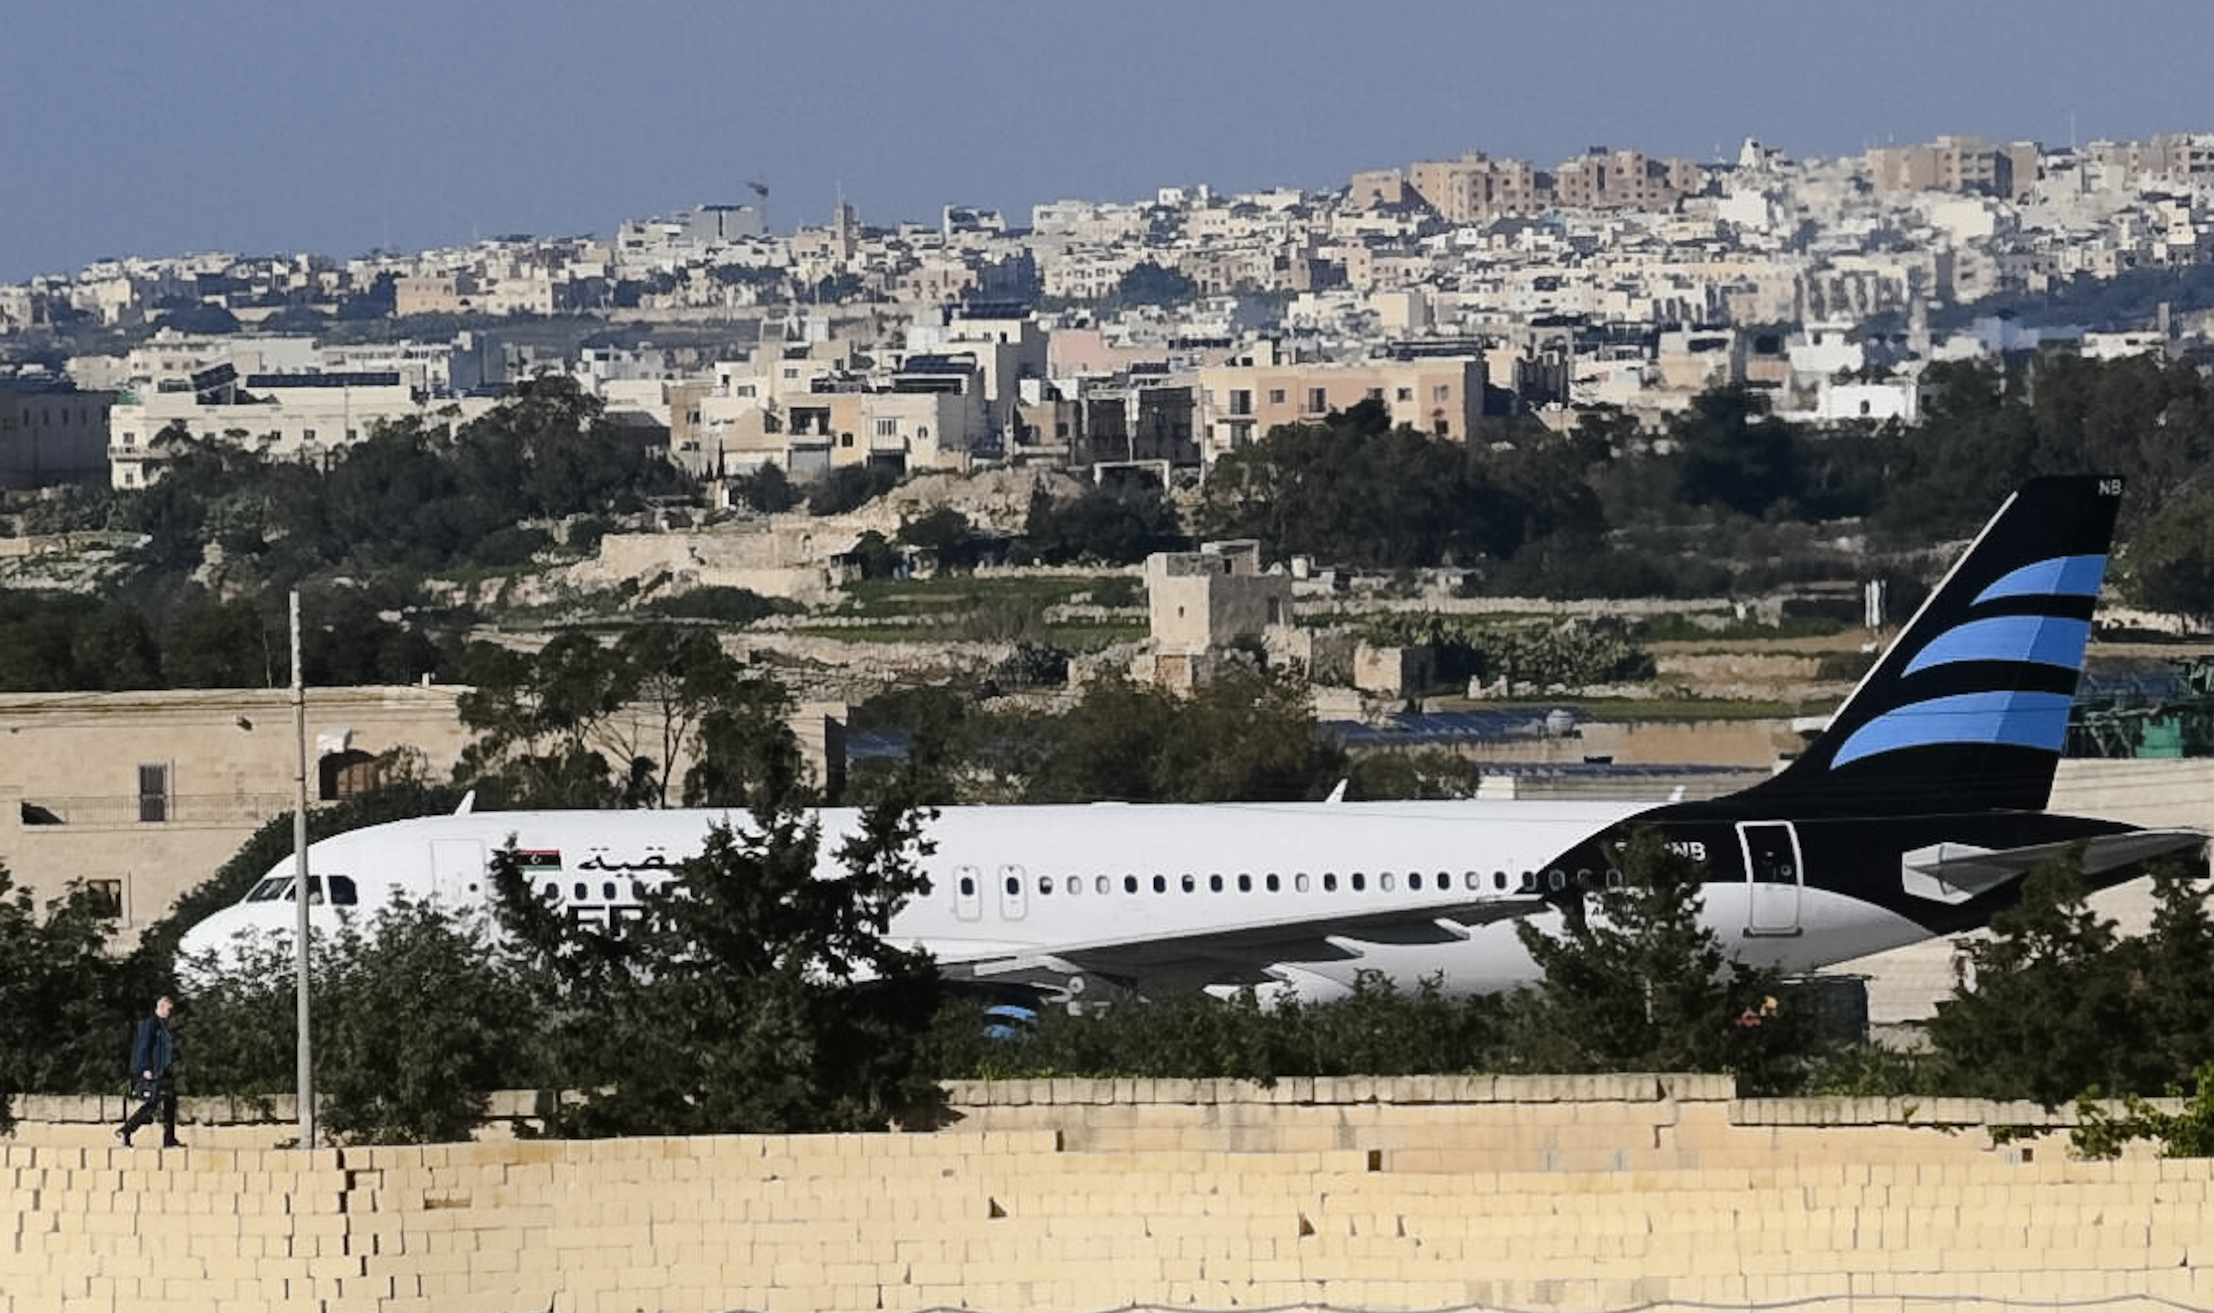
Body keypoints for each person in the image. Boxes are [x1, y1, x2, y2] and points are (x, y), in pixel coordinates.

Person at [116, 996, 182, 1149]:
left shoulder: (163, 1026)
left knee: (170, 1101)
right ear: (161, 1007)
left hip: (163, 1070)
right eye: (168, 1009)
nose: (170, 1013)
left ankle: (169, 1138)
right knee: (152, 1104)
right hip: (153, 1071)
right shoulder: (151, 1024)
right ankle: (127, 1130)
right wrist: (146, 1068)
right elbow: (144, 1047)